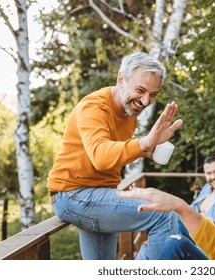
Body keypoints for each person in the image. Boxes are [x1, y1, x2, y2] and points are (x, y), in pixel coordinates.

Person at [46, 51, 183, 260]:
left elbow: (115, 149)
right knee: (163, 215)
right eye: (140, 90)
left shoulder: (128, 112)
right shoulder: (94, 108)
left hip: (100, 193)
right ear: (121, 79)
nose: (146, 101)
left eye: (153, 94)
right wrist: (143, 142)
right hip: (74, 194)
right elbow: (100, 157)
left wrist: (146, 149)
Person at [135, 153, 215, 259]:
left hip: (208, 245)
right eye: (209, 173)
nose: (213, 177)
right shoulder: (208, 188)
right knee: (147, 247)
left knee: (157, 248)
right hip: (188, 234)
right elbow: (190, 211)